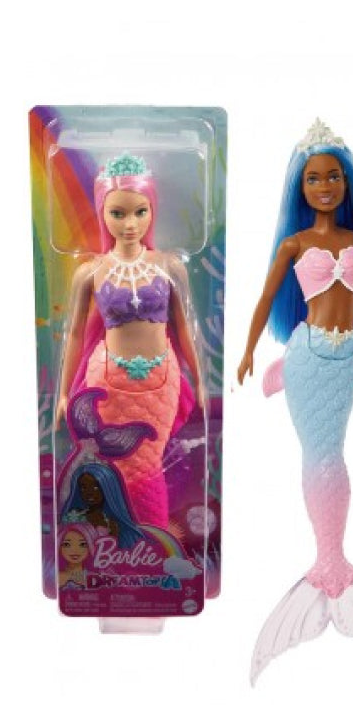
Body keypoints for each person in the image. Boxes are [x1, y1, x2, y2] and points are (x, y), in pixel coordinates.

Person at [238, 119, 353, 684]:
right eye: (314, 179)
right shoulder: (294, 244)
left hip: (348, 357)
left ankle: (332, 559)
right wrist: (247, 352)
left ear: (346, 182)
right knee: (322, 455)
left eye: (333, 177)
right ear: (301, 187)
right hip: (309, 356)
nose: (324, 187)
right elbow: (266, 298)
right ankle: (327, 560)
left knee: (333, 453)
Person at [55, 153, 203, 529]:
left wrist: (201, 381)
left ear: (152, 210)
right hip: (108, 381)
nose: (130, 223)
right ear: (102, 214)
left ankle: (153, 540)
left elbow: (184, 327)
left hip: (161, 381)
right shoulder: (90, 272)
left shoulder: (169, 266)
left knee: (148, 463)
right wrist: (64, 393)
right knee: (115, 466)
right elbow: (75, 334)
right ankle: (119, 541)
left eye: (140, 211)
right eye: (118, 213)